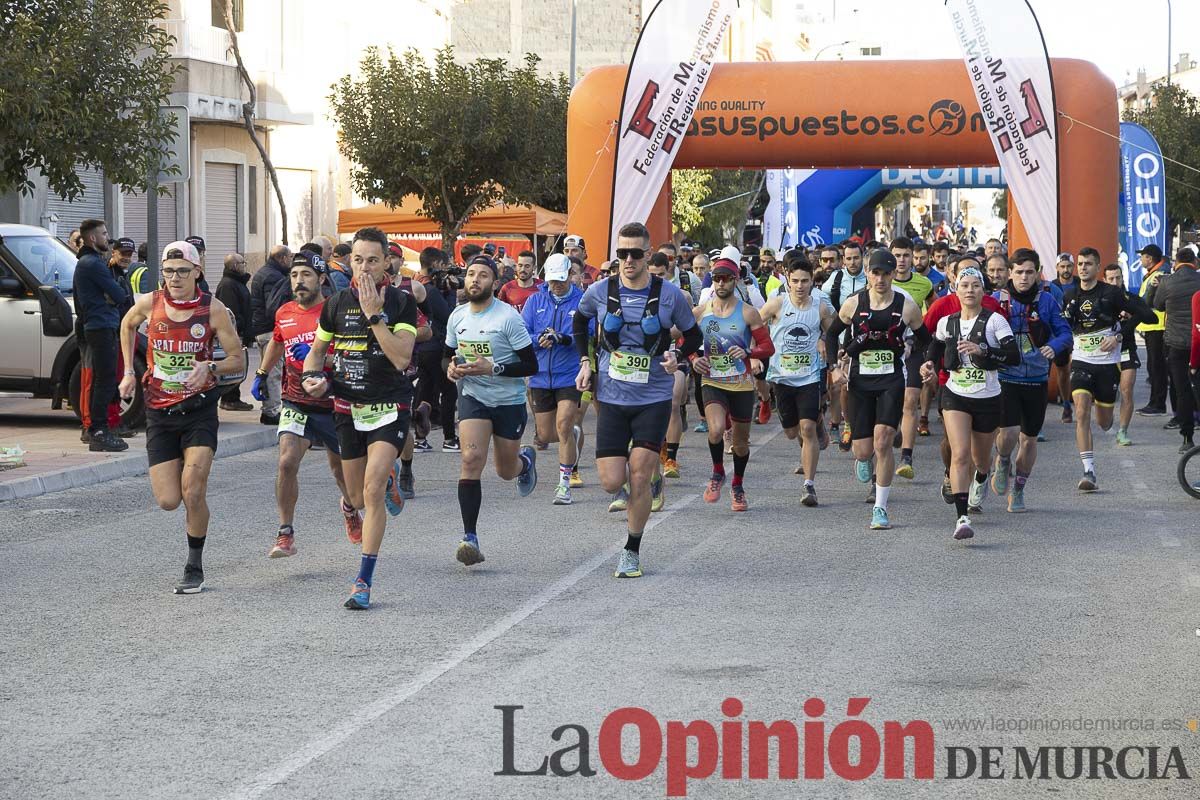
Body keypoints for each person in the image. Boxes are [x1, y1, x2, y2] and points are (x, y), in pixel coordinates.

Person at [300, 227, 419, 610]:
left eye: (373, 260)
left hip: (389, 405)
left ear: (387, 262)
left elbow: (401, 358)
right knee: (356, 497)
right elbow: (316, 355)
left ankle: (363, 581)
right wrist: (312, 378)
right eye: (358, 259)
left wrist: (373, 317)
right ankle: (379, 485)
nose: (364, 268)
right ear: (349, 261)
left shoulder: (401, 303)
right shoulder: (334, 304)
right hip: (347, 407)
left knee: (370, 494)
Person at [574, 222, 701, 578]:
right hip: (612, 397)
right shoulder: (600, 291)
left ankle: (632, 549)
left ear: (648, 255)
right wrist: (585, 361)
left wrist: (679, 357)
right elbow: (580, 324)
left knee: (639, 476)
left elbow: (693, 335)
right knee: (612, 482)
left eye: (634, 253)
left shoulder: (670, 295)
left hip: (653, 396)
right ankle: (644, 480)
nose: (627, 260)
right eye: (621, 254)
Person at [117, 241, 244, 593]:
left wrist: (210, 366)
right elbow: (127, 325)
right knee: (169, 500)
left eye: (182, 271)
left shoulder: (213, 309)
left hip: (199, 409)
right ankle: (191, 533)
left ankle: (194, 565)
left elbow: (238, 359)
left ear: (197, 273)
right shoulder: (149, 303)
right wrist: (128, 371)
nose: (174, 278)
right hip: (160, 412)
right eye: (168, 271)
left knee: (193, 490)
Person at [257, 251, 363, 556]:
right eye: (294, 276)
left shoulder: (336, 310)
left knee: (342, 474)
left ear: (321, 279)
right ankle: (285, 532)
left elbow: (353, 352)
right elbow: (278, 341)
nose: (299, 282)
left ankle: (349, 507)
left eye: (306, 276)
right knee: (287, 462)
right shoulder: (284, 311)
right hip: (296, 401)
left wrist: (323, 358)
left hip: (334, 403)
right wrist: (262, 373)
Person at [444, 254, 540, 564]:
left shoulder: (508, 318)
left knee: (504, 471)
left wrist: (493, 368)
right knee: (471, 459)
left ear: (494, 283)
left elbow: (530, 364)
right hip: (474, 397)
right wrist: (452, 369)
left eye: (483, 275)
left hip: (508, 401)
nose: (475, 280)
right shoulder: (457, 316)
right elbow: (448, 356)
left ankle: (525, 462)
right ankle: (469, 537)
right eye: (471, 274)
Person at [825, 249, 930, 530]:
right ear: (868, 274)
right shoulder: (853, 304)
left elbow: (925, 339)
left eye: (886, 273)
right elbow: (832, 333)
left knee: (883, 440)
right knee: (863, 450)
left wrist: (925, 363)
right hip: (860, 380)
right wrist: (834, 367)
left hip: (892, 378)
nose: (880, 279)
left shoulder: (906, 305)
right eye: (875, 273)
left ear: (894, 274)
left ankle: (880, 508)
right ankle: (862, 459)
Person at [921, 266, 1020, 538]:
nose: (970, 291)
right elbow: (936, 345)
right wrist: (929, 363)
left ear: (983, 290)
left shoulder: (995, 321)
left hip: (987, 396)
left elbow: (1013, 356)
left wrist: (983, 350)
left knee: (980, 459)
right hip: (955, 393)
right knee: (960, 453)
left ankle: (981, 477)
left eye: (975, 285)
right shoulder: (947, 322)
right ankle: (962, 518)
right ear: (956, 289)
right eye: (965, 285)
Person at [1061, 247, 1157, 491]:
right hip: (1082, 361)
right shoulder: (1070, 294)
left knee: (1103, 422)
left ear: (1097, 267)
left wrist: (1119, 335)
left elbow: (1148, 316)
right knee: (1081, 411)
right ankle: (1088, 471)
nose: (1083, 267)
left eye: (1088, 264)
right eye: (1080, 263)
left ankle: (1109, 417)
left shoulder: (1112, 293)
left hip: (1107, 364)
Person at [986, 250, 1071, 512]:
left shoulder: (1046, 300)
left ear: (1038, 272)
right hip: (1006, 376)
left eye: (1029, 272)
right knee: (1009, 433)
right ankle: (1002, 460)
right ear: (1010, 272)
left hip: (1036, 378)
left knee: (1030, 440)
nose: (1024, 277)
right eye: (1019, 272)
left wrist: (1054, 347)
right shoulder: (996, 300)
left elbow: (1065, 333)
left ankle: (1019, 489)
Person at [691, 258, 774, 512]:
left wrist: (749, 352)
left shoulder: (748, 312)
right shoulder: (701, 312)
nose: (721, 283)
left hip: (740, 384)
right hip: (712, 380)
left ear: (735, 280)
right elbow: (685, 341)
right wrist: (694, 359)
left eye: (726, 278)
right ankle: (718, 473)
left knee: (740, 443)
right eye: (716, 278)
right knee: (715, 430)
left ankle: (737, 485)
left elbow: (767, 347)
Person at [762, 257, 835, 506]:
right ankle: (819, 420)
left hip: (810, 375)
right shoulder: (776, 305)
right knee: (792, 432)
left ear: (813, 281)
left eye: (805, 281)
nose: (800, 286)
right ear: (787, 280)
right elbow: (753, 325)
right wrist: (754, 352)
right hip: (782, 377)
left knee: (806, 429)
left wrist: (824, 339)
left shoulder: (821, 307)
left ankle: (809, 486)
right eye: (795, 281)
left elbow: (835, 330)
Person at [522, 253, 586, 505]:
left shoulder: (581, 300)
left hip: (569, 374)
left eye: (561, 279)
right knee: (546, 436)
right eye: (552, 280)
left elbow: (589, 331)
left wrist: (563, 338)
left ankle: (564, 485)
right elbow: (522, 333)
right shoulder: (535, 300)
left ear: (570, 274)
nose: (556, 285)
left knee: (563, 426)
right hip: (539, 376)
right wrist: (539, 338)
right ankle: (575, 433)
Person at [72, 219, 131, 452]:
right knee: (104, 380)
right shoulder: (92, 264)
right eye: (104, 234)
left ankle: (100, 429)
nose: (108, 237)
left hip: (101, 325)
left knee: (103, 379)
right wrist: (112, 293)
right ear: (93, 238)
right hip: (100, 326)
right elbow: (119, 295)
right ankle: (98, 430)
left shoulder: (92, 262)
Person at [889, 237, 934, 479]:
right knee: (894, 399)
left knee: (910, 399)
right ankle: (893, 426)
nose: (902, 260)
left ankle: (907, 456)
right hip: (889, 348)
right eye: (897, 255)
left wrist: (925, 333)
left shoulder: (924, 283)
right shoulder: (881, 280)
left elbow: (933, 309)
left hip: (913, 347)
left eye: (906, 255)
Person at [1150, 246, 1200, 451]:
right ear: (1195, 262)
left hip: (1176, 344)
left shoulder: (1168, 281)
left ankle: (1187, 438)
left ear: (1176, 262)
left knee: (1182, 391)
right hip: (1199, 341)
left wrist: (1156, 286)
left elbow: (1157, 305)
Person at [647, 253, 690, 481]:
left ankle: (671, 458)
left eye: (660, 275)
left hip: (675, 355)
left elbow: (689, 328)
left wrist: (665, 332)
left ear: (669, 271)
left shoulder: (679, 295)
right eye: (652, 275)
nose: (655, 279)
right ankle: (660, 445)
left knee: (673, 403)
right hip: (649, 360)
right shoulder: (638, 295)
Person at [412, 247, 458, 453]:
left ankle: (419, 439)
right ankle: (450, 438)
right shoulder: (429, 289)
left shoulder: (413, 284)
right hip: (436, 347)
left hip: (420, 348)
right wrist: (451, 292)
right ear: (437, 265)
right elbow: (448, 316)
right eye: (445, 266)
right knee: (449, 392)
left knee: (425, 391)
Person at [249, 244, 292, 425]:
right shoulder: (274, 277)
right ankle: (271, 411)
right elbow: (274, 305)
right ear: (282, 258)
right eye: (290, 258)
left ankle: (270, 408)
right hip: (269, 330)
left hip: (262, 328)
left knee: (268, 369)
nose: (291, 262)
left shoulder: (264, 272)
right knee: (273, 370)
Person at [1102, 263, 1141, 447]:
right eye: (1111, 278)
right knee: (1104, 394)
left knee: (1126, 390)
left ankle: (1123, 430)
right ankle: (1107, 419)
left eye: (1118, 277)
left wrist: (1131, 316)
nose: (1115, 281)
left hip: (1127, 348)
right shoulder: (1099, 299)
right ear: (1105, 280)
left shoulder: (1130, 299)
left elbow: (1146, 315)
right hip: (1105, 352)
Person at [214, 252, 254, 411]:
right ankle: (229, 399)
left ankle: (232, 397)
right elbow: (230, 312)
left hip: (241, 331)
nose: (245, 265)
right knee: (234, 364)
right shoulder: (228, 285)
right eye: (243, 263)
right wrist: (239, 328)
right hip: (235, 333)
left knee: (239, 365)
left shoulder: (237, 283)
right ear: (235, 266)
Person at [1135, 244, 1171, 417]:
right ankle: (1154, 402)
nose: (1141, 259)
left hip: (1157, 328)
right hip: (1152, 327)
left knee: (1157, 368)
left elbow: (1147, 302)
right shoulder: (1153, 275)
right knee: (1153, 367)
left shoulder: (1157, 276)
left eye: (1142, 256)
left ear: (1149, 258)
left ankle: (1158, 404)